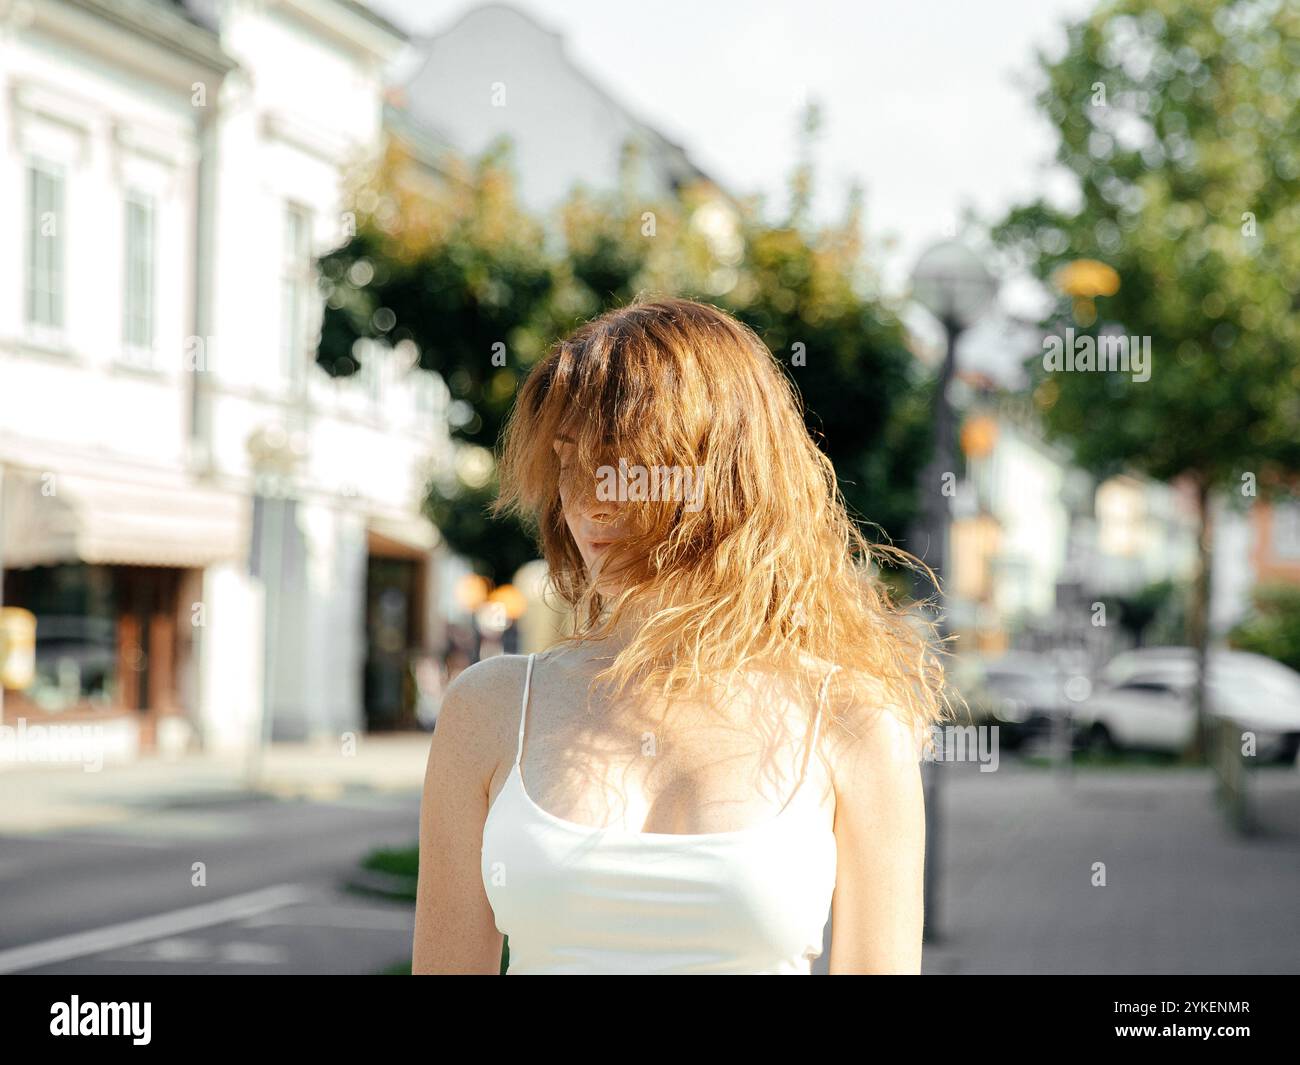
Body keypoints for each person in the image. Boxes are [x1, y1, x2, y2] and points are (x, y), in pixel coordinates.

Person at [412, 296, 949, 974]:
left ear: (723, 475)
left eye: (619, 462)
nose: (586, 499)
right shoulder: (487, 708)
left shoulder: (852, 720)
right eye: (568, 461)